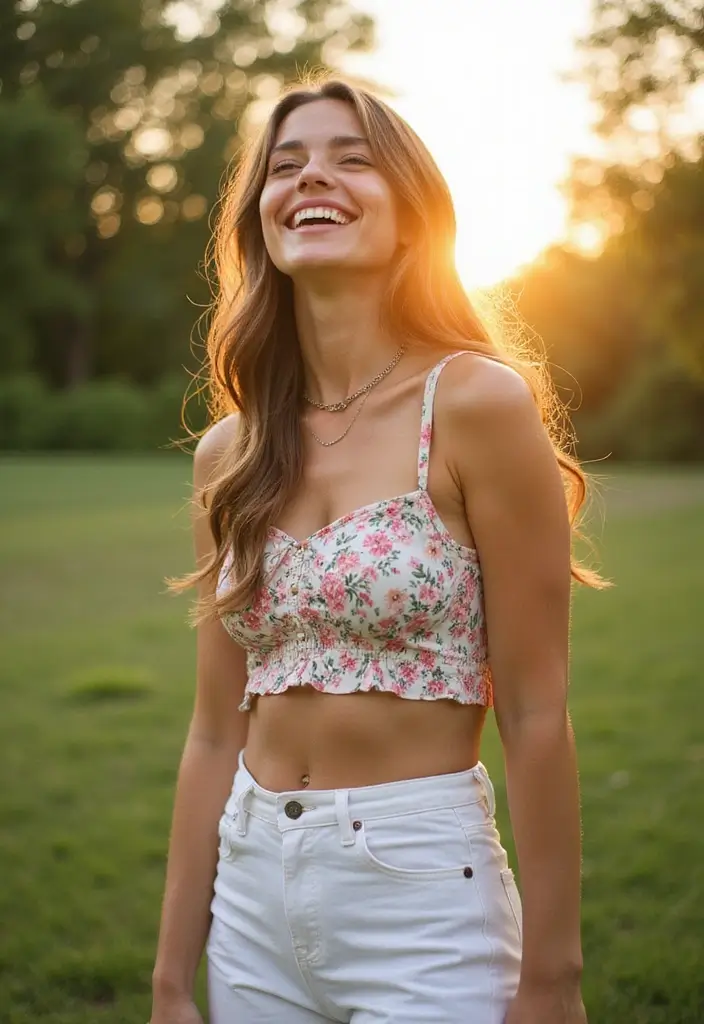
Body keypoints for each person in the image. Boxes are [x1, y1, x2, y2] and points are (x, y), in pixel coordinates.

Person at [150, 77, 600, 1024]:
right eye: (287, 163)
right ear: (262, 218)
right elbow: (212, 730)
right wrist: (168, 983)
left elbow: (534, 709)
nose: (314, 175)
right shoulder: (227, 453)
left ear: (410, 218)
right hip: (251, 897)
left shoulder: (476, 404)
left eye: (353, 158)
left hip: (422, 894)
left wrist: (552, 981)